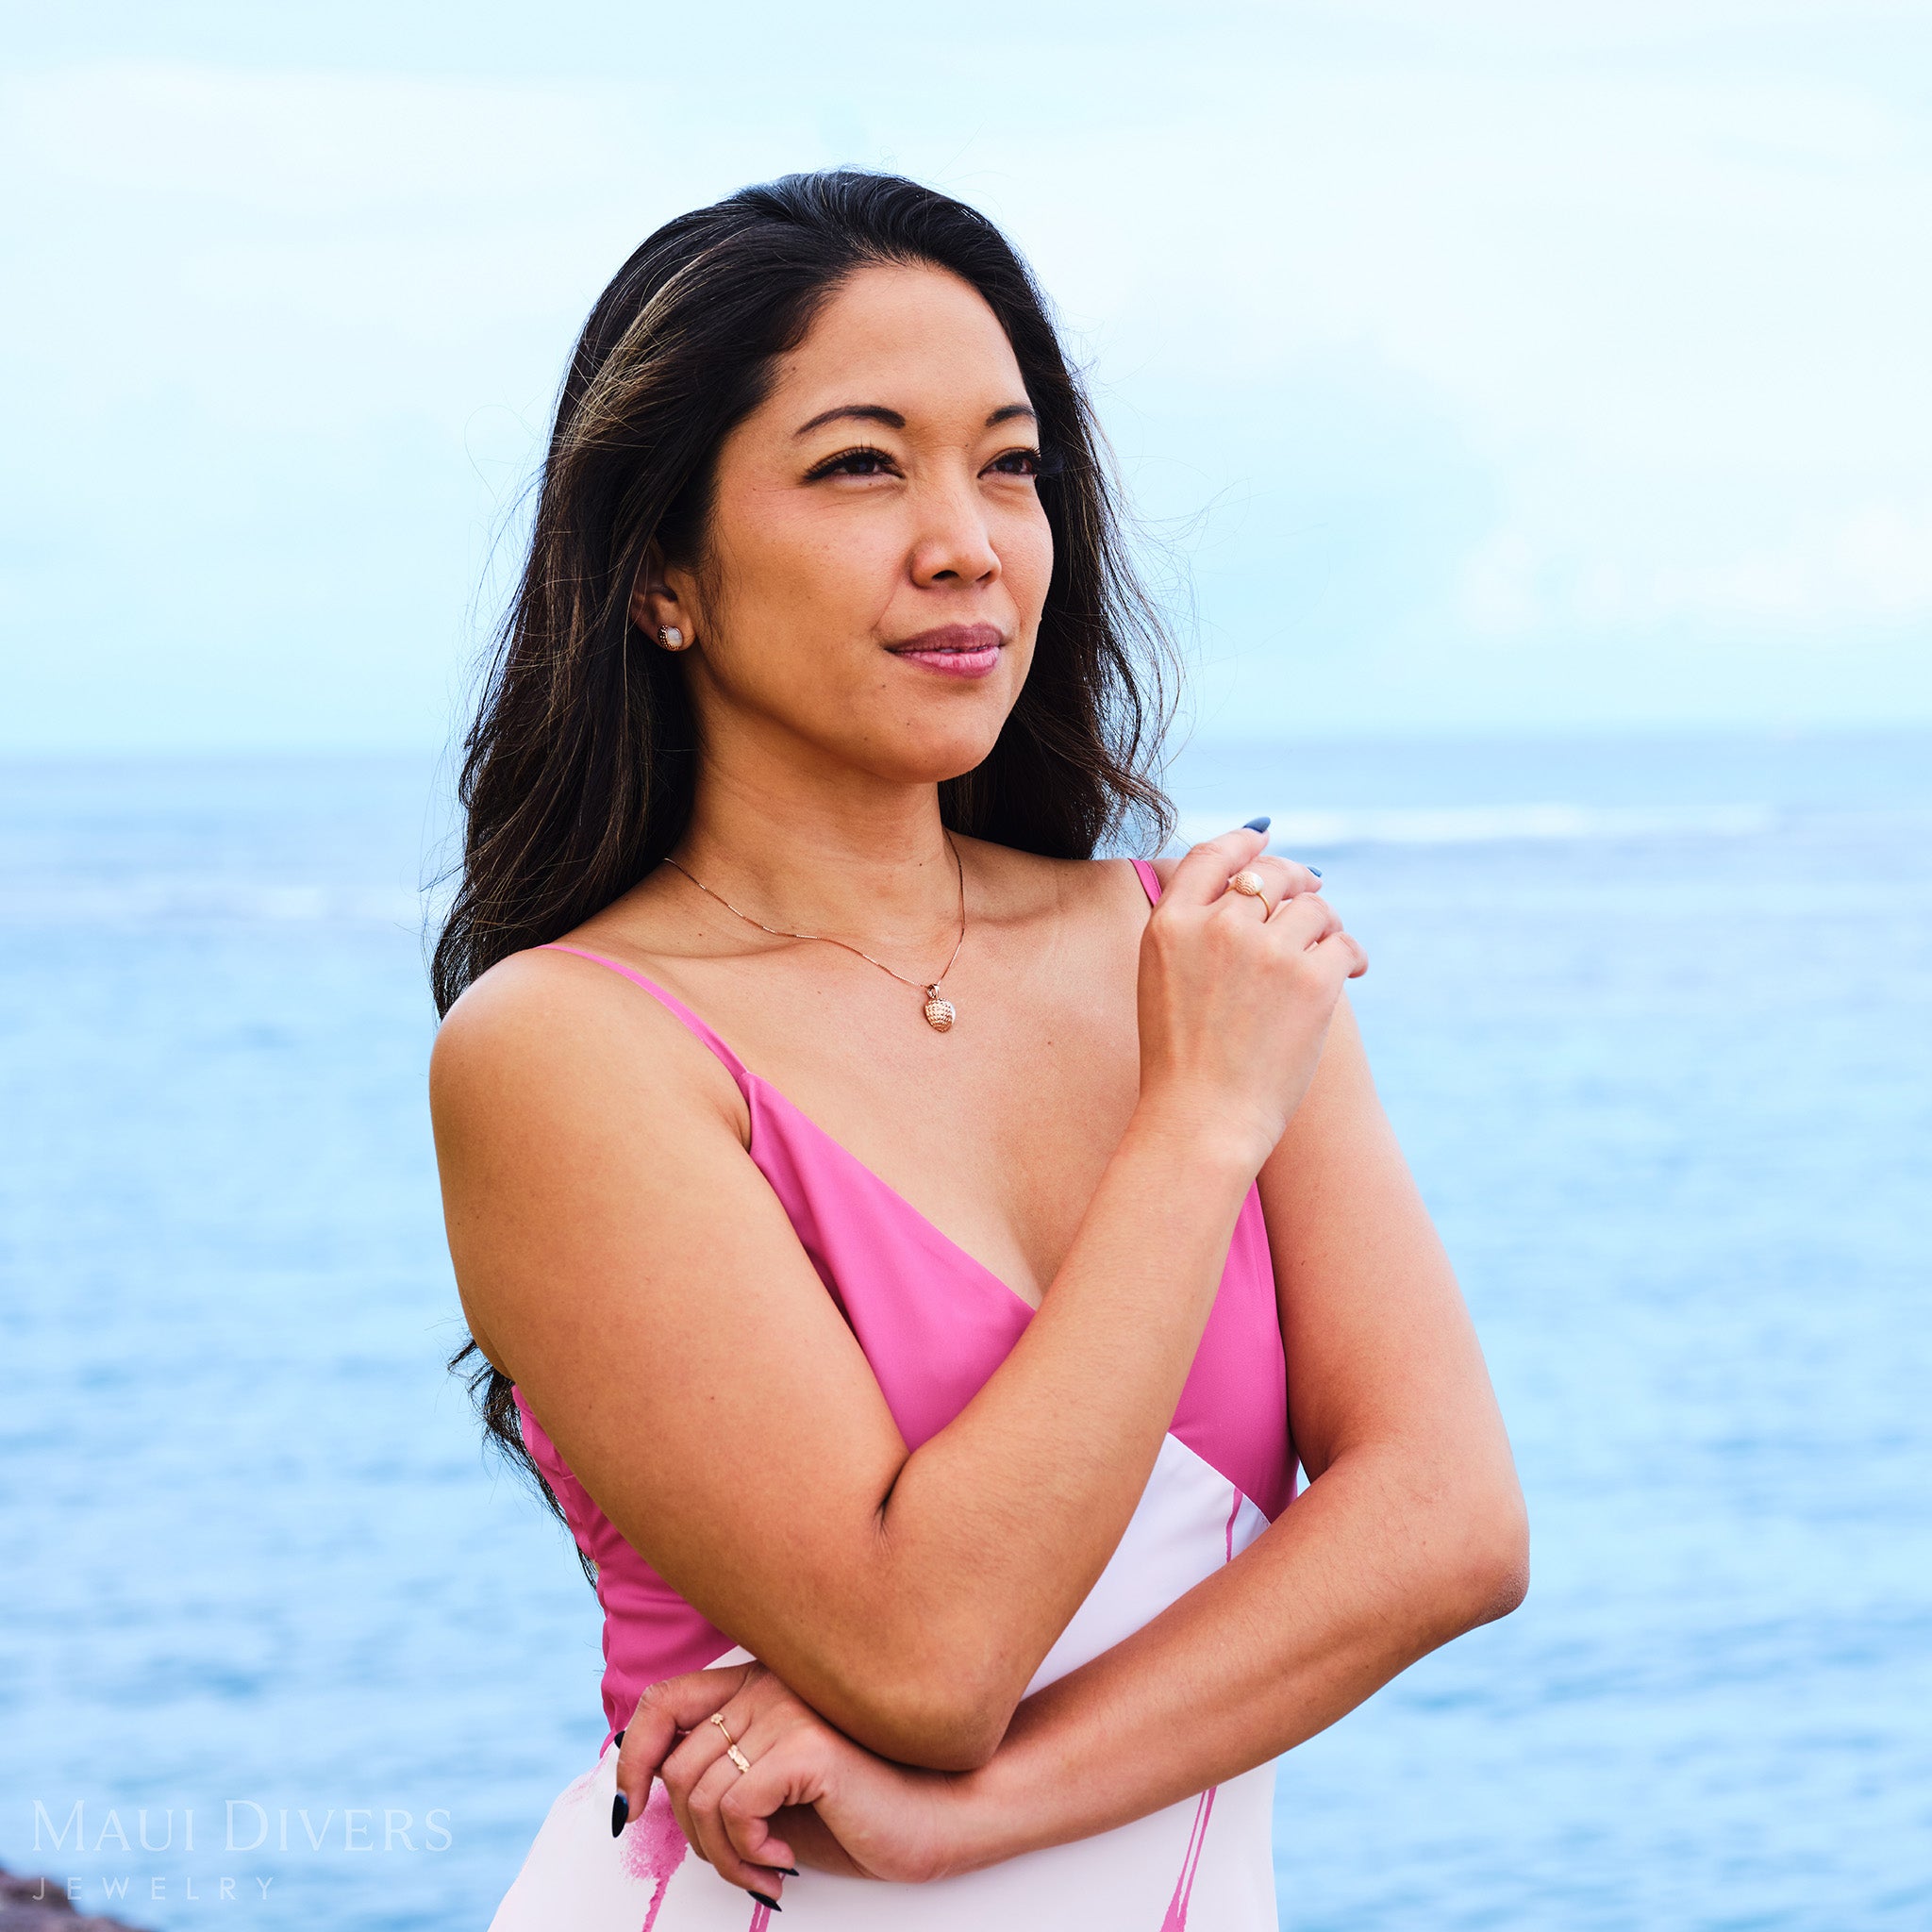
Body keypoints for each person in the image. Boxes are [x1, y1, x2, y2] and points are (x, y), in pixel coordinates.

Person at [428, 170, 1527, 1930]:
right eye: (861, 464)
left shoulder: (1198, 952)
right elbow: (922, 1654)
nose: (967, 541)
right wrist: (1192, 1131)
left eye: (1009, 465)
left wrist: (978, 1814)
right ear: (659, 575)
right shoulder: (568, 1046)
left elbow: (1452, 1522)